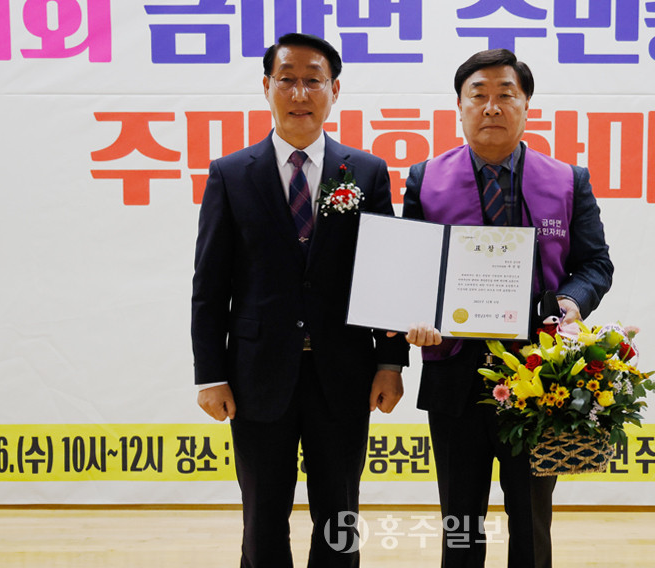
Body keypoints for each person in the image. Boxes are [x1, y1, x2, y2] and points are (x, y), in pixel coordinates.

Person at [191, 32, 409, 568]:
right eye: (287, 79)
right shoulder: (230, 174)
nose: (299, 92)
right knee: (263, 513)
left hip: (345, 371)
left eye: (314, 80)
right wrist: (209, 375)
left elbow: (387, 276)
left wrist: (389, 362)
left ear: (334, 90)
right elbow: (210, 285)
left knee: (339, 513)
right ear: (266, 86)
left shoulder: (366, 171)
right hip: (257, 373)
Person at [403, 48, 614, 568]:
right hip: (454, 371)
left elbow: (595, 264)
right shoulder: (425, 179)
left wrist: (571, 301)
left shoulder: (567, 180)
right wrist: (415, 315)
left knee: (531, 518)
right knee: (459, 520)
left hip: (541, 376)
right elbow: (410, 270)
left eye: (505, 95)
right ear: (459, 106)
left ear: (526, 105)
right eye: (478, 95)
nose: (492, 107)